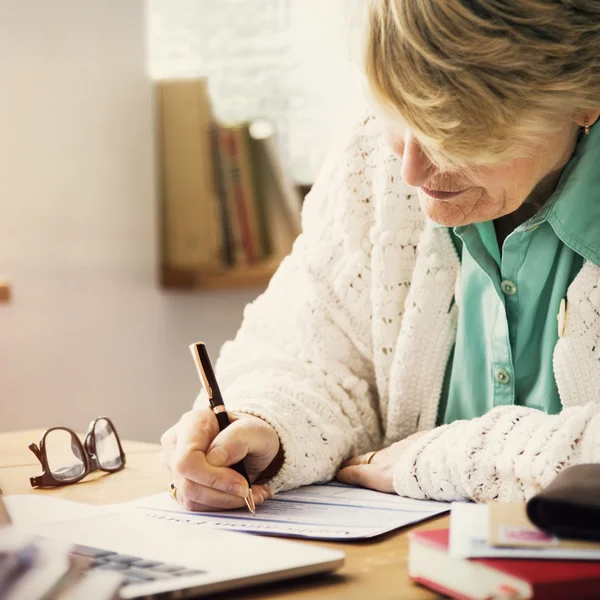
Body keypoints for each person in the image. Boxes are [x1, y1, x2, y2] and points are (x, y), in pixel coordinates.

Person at [161, 0, 600, 511]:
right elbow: (309, 349)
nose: (410, 171)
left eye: (459, 136)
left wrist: (452, 458)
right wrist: (265, 424)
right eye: (395, 114)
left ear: (586, 98)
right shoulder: (375, 156)